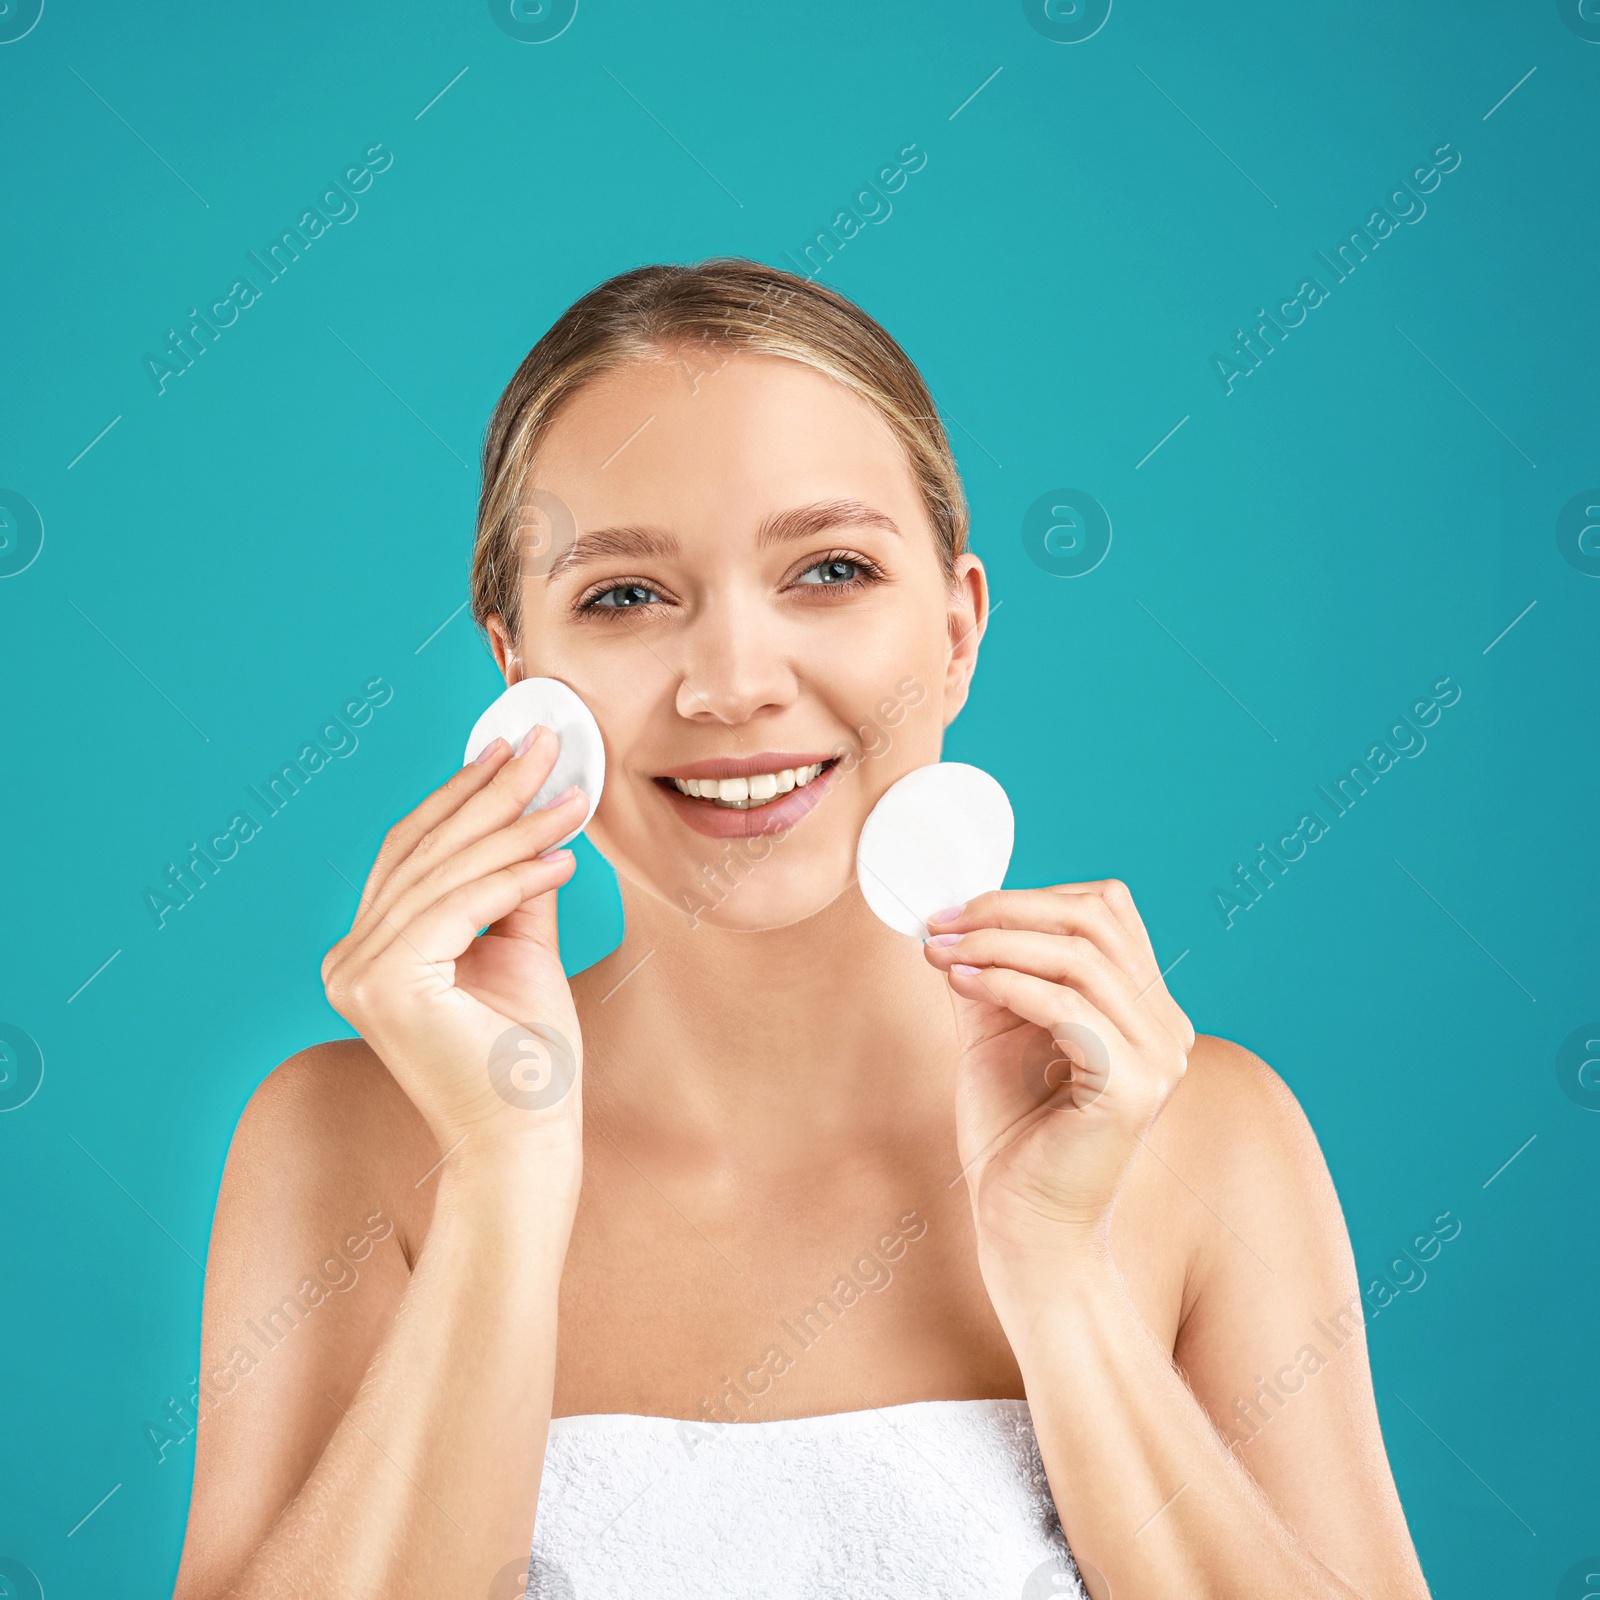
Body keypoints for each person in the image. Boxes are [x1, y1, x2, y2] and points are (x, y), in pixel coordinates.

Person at [171, 258, 1432, 1599]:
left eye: (829, 570)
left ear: (956, 631)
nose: (733, 685)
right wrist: (499, 1177)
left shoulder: (1202, 1139)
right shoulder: (344, 1142)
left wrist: (1061, 1281)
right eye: (625, 596)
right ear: (520, 677)